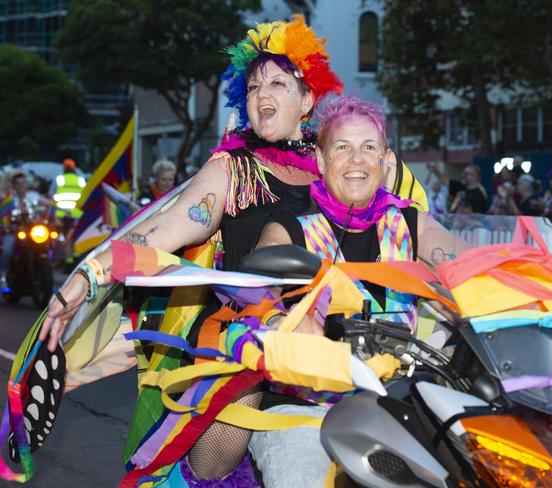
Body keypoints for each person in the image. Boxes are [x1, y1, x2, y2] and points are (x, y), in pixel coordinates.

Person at [36, 14, 430, 486]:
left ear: (307, 99)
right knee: (227, 432)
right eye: (254, 86)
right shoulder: (233, 169)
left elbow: (408, 225)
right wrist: (88, 275)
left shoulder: (337, 160)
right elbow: (169, 226)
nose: (262, 96)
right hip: (247, 341)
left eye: (279, 84)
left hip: (339, 341)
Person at [249, 95, 468, 486]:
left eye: (368, 147)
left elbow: (470, 269)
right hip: (304, 408)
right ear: (320, 160)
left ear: (385, 161)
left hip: (396, 405)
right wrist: (281, 319)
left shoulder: (410, 223)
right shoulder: (291, 226)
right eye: (342, 147)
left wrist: (530, 296)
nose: (356, 160)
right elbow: (256, 287)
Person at [0, 171, 50, 287]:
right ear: (14, 186)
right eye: (18, 184)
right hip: (15, 232)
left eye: (23, 183)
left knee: (48, 243)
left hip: (33, 232)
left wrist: (57, 207)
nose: (21, 186)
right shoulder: (9, 199)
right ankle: (2, 277)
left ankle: (43, 272)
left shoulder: (33, 196)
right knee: (7, 249)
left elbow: (49, 205)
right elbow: (3, 214)